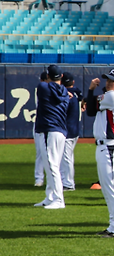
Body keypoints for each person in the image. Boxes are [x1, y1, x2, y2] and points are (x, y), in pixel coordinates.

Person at [86, 69, 114, 238]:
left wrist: (90, 90)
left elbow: (90, 109)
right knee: (109, 188)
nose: (108, 84)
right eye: (107, 81)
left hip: (111, 147)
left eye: (113, 81)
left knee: (113, 188)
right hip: (106, 146)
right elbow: (92, 109)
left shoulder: (113, 97)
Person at [34, 65, 69, 209]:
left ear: (48, 76)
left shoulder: (43, 87)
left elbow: (45, 85)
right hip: (60, 131)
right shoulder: (65, 91)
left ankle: (59, 200)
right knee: (52, 165)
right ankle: (50, 197)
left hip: (49, 129)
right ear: (61, 77)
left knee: (52, 165)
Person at [61, 72, 84, 192]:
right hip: (74, 129)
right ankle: (64, 181)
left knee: (66, 158)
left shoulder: (65, 95)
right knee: (66, 157)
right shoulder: (75, 92)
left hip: (68, 131)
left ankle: (68, 183)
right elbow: (81, 97)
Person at [34, 71, 48, 187]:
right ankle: (39, 178)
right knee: (40, 153)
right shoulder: (42, 89)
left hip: (52, 125)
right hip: (41, 124)